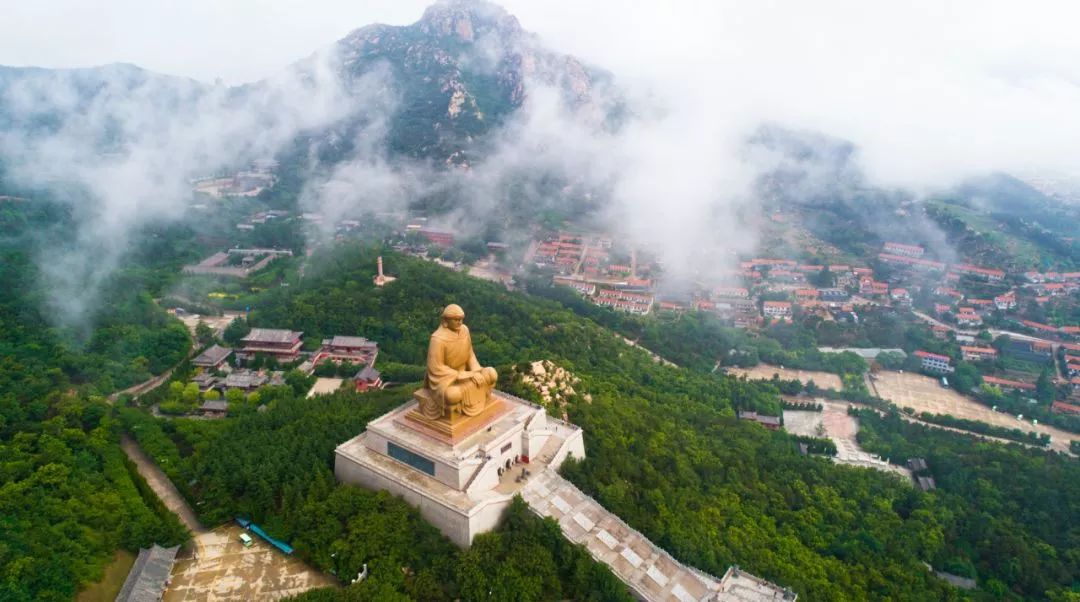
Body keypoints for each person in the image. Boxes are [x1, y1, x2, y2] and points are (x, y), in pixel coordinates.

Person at [420, 304, 497, 419]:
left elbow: (470, 354)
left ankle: (479, 394)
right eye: (456, 320)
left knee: (491, 373)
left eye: (461, 319)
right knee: (453, 396)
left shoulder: (464, 330)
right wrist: (465, 375)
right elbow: (436, 367)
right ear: (446, 320)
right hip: (448, 380)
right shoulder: (437, 339)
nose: (459, 322)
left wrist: (476, 372)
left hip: (467, 373)